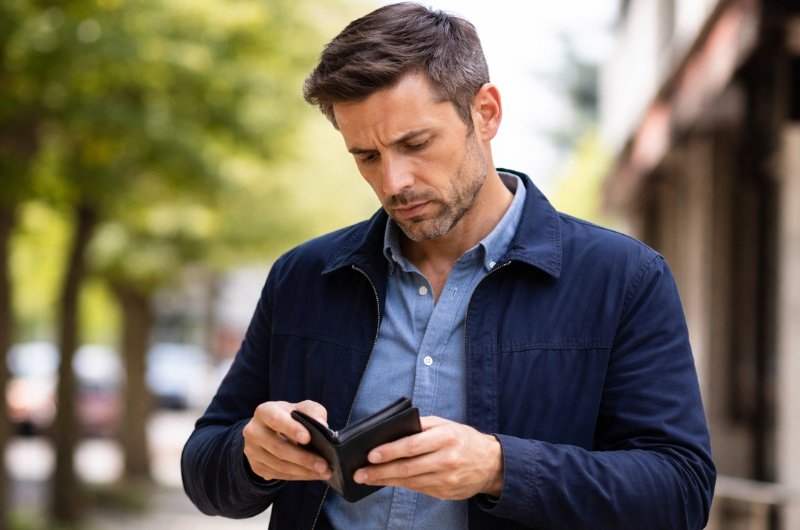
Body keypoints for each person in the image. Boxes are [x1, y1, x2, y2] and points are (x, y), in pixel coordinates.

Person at [181, 3, 716, 529]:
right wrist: (250, 457)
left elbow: (680, 493)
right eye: (366, 156)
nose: (393, 182)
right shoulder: (303, 275)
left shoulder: (623, 278)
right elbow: (204, 470)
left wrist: (498, 468)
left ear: (485, 113)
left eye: (415, 143)